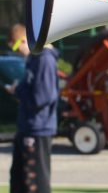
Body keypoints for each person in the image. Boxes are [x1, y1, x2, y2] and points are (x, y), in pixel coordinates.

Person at [4, 24, 59, 193]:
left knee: (35, 181)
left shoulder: (44, 59)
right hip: (27, 126)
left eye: (16, 46)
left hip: (38, 128)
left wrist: (19, 92)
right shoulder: (33, 60)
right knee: (19, 179)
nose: (17, 51)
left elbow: (43, 96)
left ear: (24, 40)